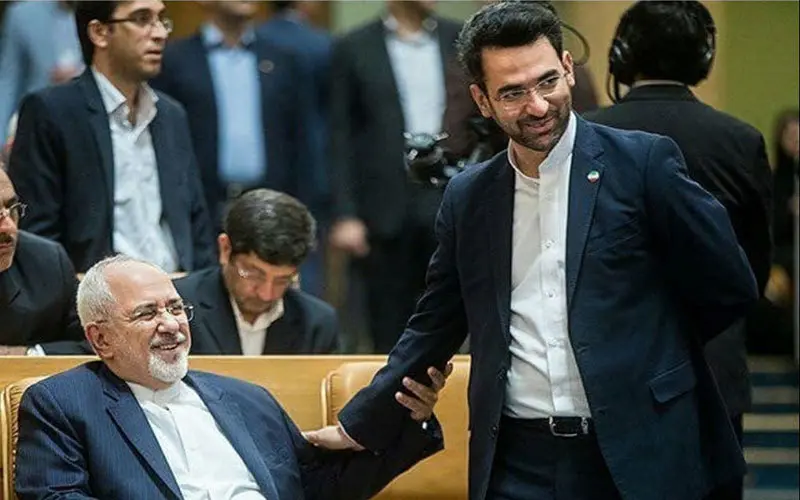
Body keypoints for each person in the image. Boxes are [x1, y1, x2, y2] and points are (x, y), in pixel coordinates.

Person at [311, 2, 759, 499]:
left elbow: (728, 285)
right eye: (513, 92)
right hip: (516, 459)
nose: (539, 106)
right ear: (482, 100)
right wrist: (362, 423)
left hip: (640, 447)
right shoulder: (469, 197)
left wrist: (650, 348)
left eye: (547, 82)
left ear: (568, 69)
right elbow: (435, 323)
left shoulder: (642, 163)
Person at [15, 254, 450, 499]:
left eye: (175, 308)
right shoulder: (62, 403)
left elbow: (319, 491)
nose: (171, 324)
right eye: (147, 313)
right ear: (101, 339)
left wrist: (408, 419)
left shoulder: (246, 399)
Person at [584, 4, 773, 497]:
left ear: (621, 56)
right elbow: (751, 271)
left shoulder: (583, 136)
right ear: (704, 58)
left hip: (607, 373)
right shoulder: (740, 140)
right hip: (715, 370)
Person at [7, 0, 215, 273]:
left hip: (177, 287)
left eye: (160, 20)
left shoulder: (171, 115)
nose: (160, 33)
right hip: (93, 291)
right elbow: (37, 240)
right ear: (99, 32)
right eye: (141, 19)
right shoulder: (52, 111)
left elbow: (198, 230)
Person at [329, 0, 463, 352]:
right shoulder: (354, 47)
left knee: (451, 318)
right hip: (384, 208)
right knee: (387, 327)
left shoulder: (459, 39)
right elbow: (339, 134)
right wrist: (345, 213)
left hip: (449, 194)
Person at [150, 1, 321, 234]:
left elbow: (302, 143)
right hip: (199, 212)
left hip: (270, 211)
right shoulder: (174, 61)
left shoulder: (283, 60)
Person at [175, 189, 339, 355]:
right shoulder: (177, 306)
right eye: (254, 274)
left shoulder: (317, 324)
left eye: (283, 280)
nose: (266, 294)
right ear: (225, 249)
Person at [0, 166, 88, 355]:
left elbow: (96, 340)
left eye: (12, 209)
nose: (9, 228)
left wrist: (28, 355)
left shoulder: (47, 262)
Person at [0, 0, 83, 142]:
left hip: (86, 125)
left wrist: (81, 74)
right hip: (37, 126)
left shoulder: (105, 11)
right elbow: (8, 82)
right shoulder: (22, 14)